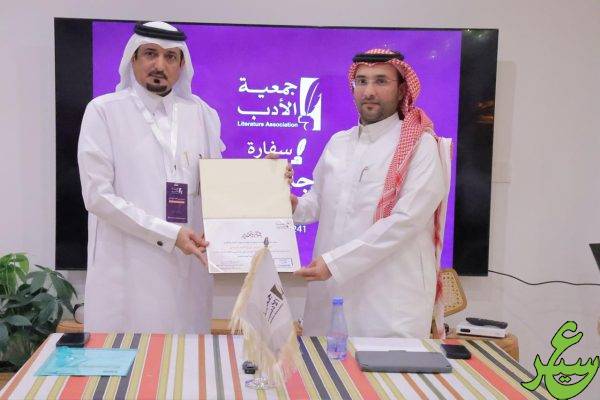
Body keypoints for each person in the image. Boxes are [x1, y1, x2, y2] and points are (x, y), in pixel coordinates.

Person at [78, 21, 225, 333]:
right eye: (150, 54)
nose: (159, 65)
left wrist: (264, 176)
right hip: (128, 271)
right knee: (129, 359)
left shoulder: (202, 115)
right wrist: (169, 234)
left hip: (187, 274)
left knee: (185, 359)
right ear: (133, 58)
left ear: (181, 65)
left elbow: (218, 186)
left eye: (170, 57)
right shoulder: (104, 112)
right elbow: (97, 196)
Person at [293, 49, 451, 338]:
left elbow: (405, 221)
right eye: (362, 81)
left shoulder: (421, 146)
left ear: (401, 89)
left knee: (383, 368)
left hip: (387, 302)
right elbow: (316, 203)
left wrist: (336, 263)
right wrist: (289, 203)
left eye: (381, 81)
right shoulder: (338, 143)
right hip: (331, 293)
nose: (369, 91)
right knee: (323, 365)